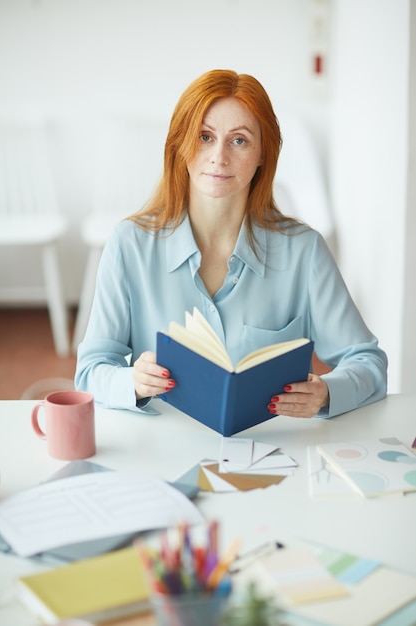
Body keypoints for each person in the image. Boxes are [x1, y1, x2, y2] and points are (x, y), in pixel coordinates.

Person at [75, 69, 387, 420]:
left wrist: (327, 392)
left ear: (262, 155)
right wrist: (131, 381)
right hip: (162, 450)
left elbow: (368, 361)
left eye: (239, 141)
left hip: (273, 453)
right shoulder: (128, 245)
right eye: (205, 136)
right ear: (181, 144)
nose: (219, 157)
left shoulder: (304, 250)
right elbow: (89, 373)